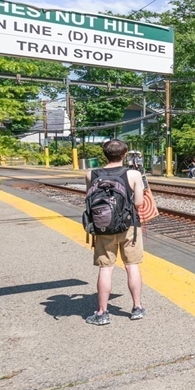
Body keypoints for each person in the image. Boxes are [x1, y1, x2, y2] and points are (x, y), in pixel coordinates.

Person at [84, 139, 146, 325]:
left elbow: (89, 200)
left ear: (104, 154)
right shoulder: (133, 174)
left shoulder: (91, 174)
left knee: (106, 268)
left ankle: (102, 313)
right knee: (132, 266)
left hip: (103, 227)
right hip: (130, 226)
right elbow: (138, 203)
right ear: (124, 154)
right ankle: (137, 308)